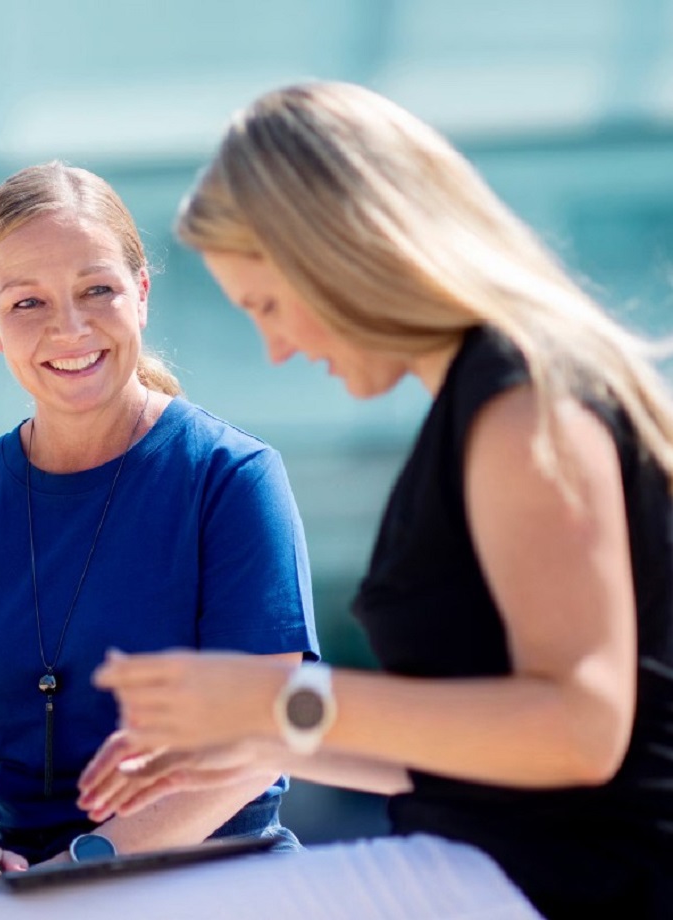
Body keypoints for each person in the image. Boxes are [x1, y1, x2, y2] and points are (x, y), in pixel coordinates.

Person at [75, 81, 673, 919]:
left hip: (557, 887)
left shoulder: (525, 405)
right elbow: (477, 757)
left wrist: (277, 702)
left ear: (342, 254)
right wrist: (268, 739)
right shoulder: (487, 404)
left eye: (270, 305)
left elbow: (579, 729)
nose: (276, 349)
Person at [0, 162, 319, 915]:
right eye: (29, 302)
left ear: (142, 295)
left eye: (98, 290)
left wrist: (83, 867)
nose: (71, 328)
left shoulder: (233, 479)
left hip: (218, 887)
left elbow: (266, 735)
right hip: (19, 893)